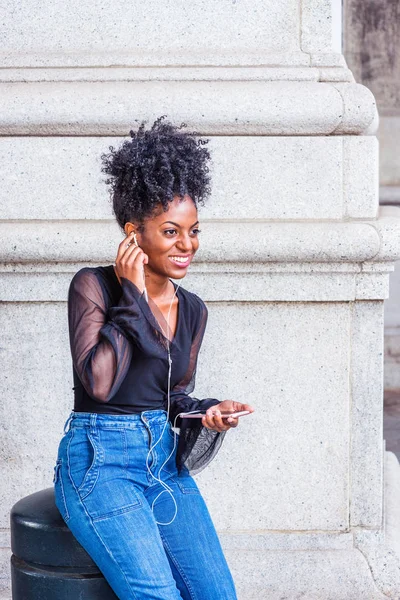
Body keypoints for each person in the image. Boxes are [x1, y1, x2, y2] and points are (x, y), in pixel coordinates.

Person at [53, 115, 254, 600]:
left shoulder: (193, 310)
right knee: (156, 595)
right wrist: (133, 293)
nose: (187, 245)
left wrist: (206, 411)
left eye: (193, 231)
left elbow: (170, 395)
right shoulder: (94, 286)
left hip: (163, 463)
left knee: (217, 595)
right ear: (133, 233)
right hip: (100, 465)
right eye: (170, 232)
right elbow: (99, 383)